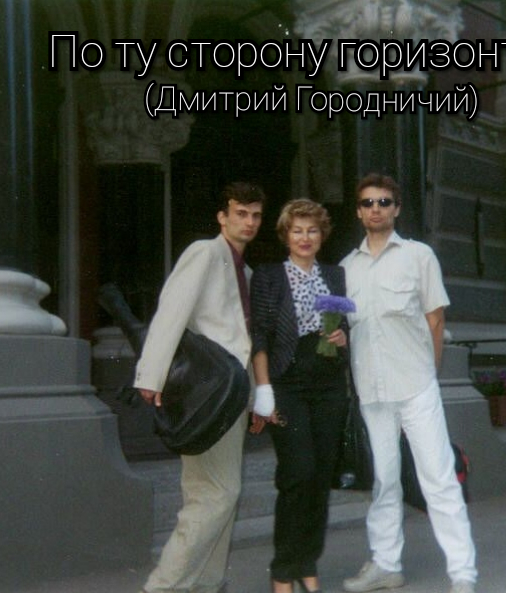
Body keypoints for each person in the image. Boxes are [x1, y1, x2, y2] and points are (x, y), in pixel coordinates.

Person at [340, 173, 477, 593]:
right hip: (372, 390)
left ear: (396, 209)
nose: (376, 209)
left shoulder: (419, 256)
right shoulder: (346, 268)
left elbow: (436, 320)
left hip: (415, 384)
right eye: (368, 203)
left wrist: (430, 374)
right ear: (358, 211)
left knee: (438, 478)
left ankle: (463, 574)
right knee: (383, 480)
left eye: (384, 202)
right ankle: (386, 564)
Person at [133, 181, 265, 593]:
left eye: (256, 215)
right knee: (217, 492)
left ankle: (207, 582)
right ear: (222, 217)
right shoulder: (205, 253)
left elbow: (247, 342)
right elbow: (171, 312)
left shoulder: (245, 273)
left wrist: (254, 399)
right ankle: (164, 586)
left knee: (216, 492)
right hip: (205, 393)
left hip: (230, 397)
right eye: (240, 213)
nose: (249, 222)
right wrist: (151, 375)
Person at [249, 199, 349, 593]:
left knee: (320, 477)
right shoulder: (269, 276)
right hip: (286, 385)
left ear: (322, 235)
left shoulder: (335, 275)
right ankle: (282, 570)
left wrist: (342, 338)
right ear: (285, 236)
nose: (305, 237)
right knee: (298, 473)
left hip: (329, 386)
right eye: (297, 230)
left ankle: (308, 562)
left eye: (312, 230)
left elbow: (344, 327)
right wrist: (264, 391)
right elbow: (259, 335)